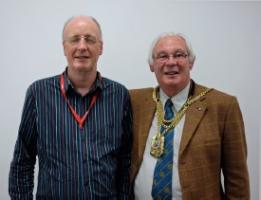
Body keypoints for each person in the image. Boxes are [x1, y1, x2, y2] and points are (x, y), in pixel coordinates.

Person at [9, 15, 132, 199]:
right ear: (64, 47)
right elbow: (22, 161)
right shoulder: (38, 93)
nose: (82, 46)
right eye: (75, 39)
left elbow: (126, 161)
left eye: (90, 39)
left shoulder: (120, 95)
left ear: (101, 48)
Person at [129, 33, 250, 200]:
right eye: (162, 56)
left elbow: (237, 178)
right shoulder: (134, 101)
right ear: (152, 65)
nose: (171, 62)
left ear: (191, 62)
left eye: (179, 55)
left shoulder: (223, 106)